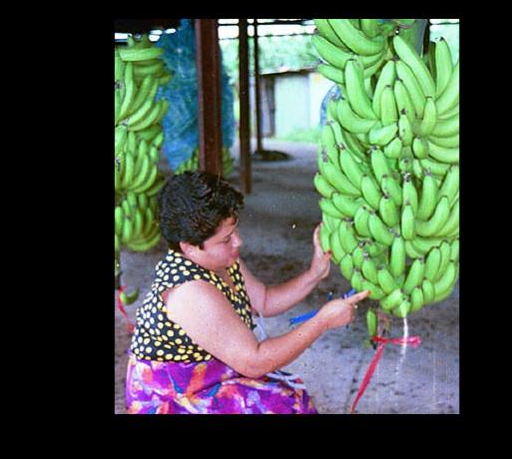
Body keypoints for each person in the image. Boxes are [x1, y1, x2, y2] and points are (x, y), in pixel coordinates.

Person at [125, 171, 370, 414]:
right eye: (226, 239)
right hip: (173, 397)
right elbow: (254, 362)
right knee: (280, 405)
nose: (238, 242)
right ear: (189, 247)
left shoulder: (220, 260)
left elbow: (262, 300)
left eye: (235, 231)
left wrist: (315, 273)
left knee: (289, 397)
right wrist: (323, 321)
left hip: (209, 374)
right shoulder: (189, 292)